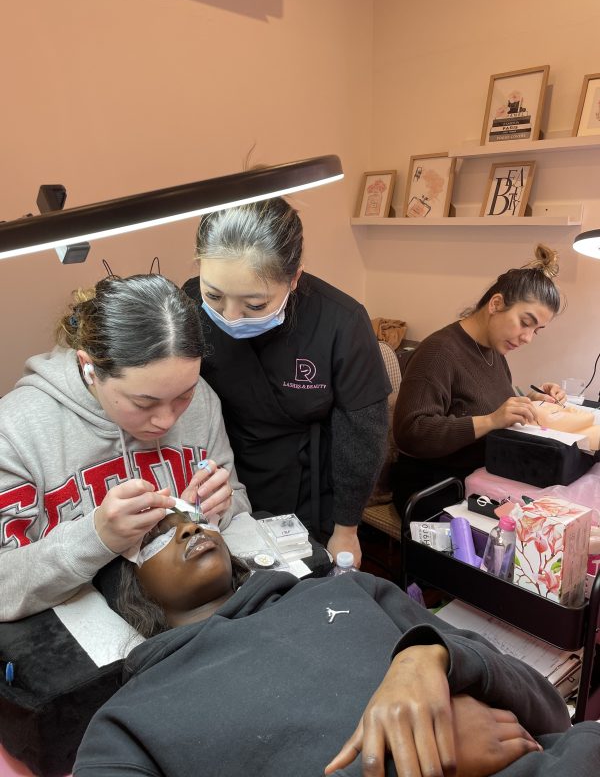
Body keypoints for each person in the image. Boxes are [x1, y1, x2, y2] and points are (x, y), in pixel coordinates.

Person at [74, 510, 600, 777]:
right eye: (158, 537)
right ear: (129, 588)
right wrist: (405, 765)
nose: (190, 530)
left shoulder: (347, 589)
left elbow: (551, 710)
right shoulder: (126, 723)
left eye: (193, 519)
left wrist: (435, 657)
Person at [0, 274, 250, 622]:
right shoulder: (14, 433)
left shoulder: (203, 399)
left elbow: (238, 501)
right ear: (89, 368)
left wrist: (221, 507)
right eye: (144, 403)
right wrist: (97, 537)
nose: (166, 420)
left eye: (183, 396)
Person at [182, 197, 391, 566]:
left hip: (309, 490)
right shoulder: (188, 304)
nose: (230, 317)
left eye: (254, 304)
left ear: (294, 278)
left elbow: (362, 436)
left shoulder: (340, 322)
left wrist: (346, 529)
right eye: (214, 295)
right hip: (221, 483)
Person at [392, 245, 567, 517]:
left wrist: (532, 402)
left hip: (479, 479)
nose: (527, 338)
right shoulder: (439, 352)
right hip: (435, 488)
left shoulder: (493, 351)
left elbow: (483, 402)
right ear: (496, 304)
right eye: (525, 322)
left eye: (536, 330)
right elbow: (410, 433)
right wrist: (491, 420)